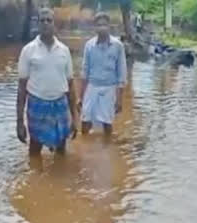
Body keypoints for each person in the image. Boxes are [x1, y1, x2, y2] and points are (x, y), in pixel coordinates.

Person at [17, 8, 78, 156]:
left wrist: (75, 118)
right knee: (35, 149)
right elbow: (21, 88)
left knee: (61, 148)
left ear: (54, 24)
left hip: (60, 105)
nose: (45, 23)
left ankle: (60, 178)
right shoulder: (28, 50)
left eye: (49, 20)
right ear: (38, 24)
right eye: (42, 20)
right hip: (37, 105)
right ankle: (35, 178)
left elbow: (70, 84)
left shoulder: (64, 51)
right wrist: (19, 122)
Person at [80, 12, 128, 137]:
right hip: (92, 86)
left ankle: (108, 148)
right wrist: (81, 96)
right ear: (95, 27)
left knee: (107, 123)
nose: (102, 28)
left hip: (109, 88)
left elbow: (121, 73)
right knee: (85, 121)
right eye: (99, 25)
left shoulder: (118, 46)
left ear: (109, 26)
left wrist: (119, 99)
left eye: (105, 25)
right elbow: (84, 71)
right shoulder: (89, 45)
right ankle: (86, 149)